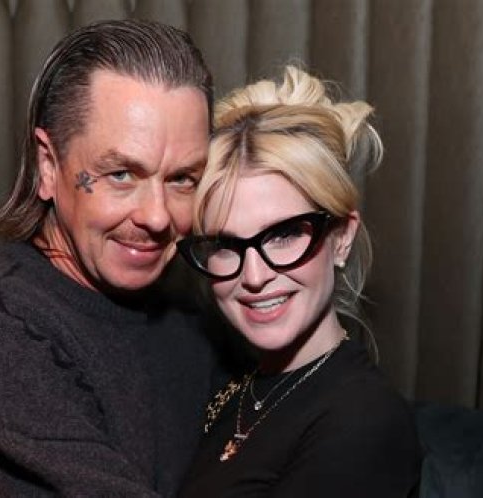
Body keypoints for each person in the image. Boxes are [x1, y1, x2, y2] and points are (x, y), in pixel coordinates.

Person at [0, 19, 218, 496]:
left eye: (182, 179)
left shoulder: (197, 311)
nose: (158, 217)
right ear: (48, 167)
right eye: (121, 174)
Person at [176, 65, 422, 497]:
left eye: (285, 234)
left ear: (341, 238)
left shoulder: (364, 422)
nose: (254, 277)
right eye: (226, 245)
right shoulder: (230, 385)